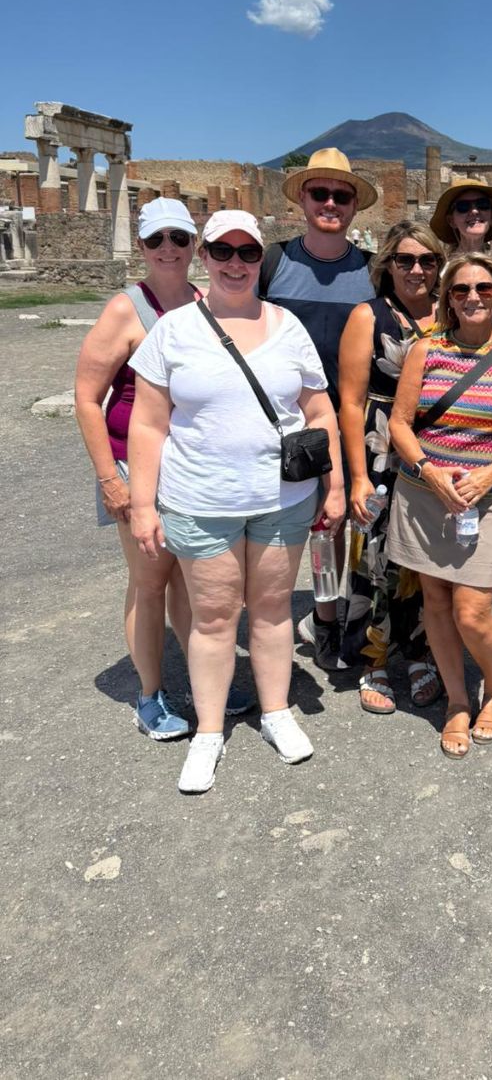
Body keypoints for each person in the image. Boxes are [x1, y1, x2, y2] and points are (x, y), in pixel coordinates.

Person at [128, 210, 346, 793]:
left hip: (283, 498)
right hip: (201, 499)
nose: (234, 263)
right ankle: (208, 731)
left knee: (272, 611)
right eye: (221, 251)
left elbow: (321, 411)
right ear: (205, 256)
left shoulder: (287, 325)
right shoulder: (173, 331)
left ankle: (276, 711)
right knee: (215, 619)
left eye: (247, 253)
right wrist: (143, 505)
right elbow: (147, 425)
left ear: (259, 260)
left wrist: (338, 484)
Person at [387, 254, 492, 758]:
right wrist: (429, 472)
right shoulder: (425, 349)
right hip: (426, 494)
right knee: (435, 600)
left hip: (491, 496)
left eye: (483, 288)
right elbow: (400, 423)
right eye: (460, 290)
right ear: (447, 299)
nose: (472, 297)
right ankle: (458, 700)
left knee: (473, 610)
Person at [75, 198, 222, 740]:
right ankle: (149, 696)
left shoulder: (207, 302)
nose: (169, 250)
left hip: (188, 468)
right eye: (157, 239)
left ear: (195, 247)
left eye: (179, 240)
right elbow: (88, 398)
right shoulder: (125, 310)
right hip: (132, 466)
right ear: (141, 246)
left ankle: (206, 686)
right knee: (149, 582)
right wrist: (110, 479)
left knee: (192, 582)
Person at [259, 147, 377, 670]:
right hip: (287, 421)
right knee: (312, 527)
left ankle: (357, 615)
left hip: (354, 416)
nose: (331, 202)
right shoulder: (271, 262)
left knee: (356, 518)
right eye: (320, 193)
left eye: (341, 195)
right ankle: (324, 618)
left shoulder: (373, 271)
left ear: (354, 207)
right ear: (303, 200)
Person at [337, 221, 445, 713]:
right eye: (406, 260)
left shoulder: (453, 311)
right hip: (381, 446)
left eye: (427, 260)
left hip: (438, 448)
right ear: (388, 265)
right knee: (373, 555)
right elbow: (352, 401)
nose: (417, 270)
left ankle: (422, 651)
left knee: (427, 558)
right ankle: (373, 659)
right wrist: (358, 476)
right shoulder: (369, 316)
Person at [429, 178, 492, 259]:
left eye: (483, 204)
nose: (474, 211)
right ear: (451, 221)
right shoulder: (441, 271)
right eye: (463, 206)